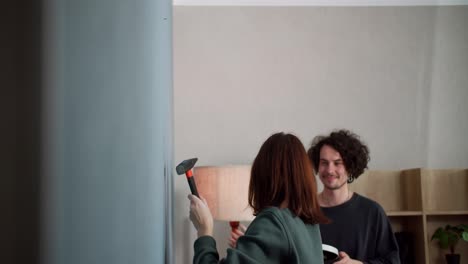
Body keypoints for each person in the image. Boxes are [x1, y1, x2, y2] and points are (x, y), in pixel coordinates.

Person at [188, 132, 329, 263]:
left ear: (263, 176)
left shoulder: (274, 221)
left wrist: (204, 230)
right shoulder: (308, 223)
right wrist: (252, 243)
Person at [307, 129, 400, 264]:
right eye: (324, 163)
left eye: (337, 163)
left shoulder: (372, 212)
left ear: (350, 167)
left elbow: (392, 261)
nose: (329, 170)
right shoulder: (304, 210)